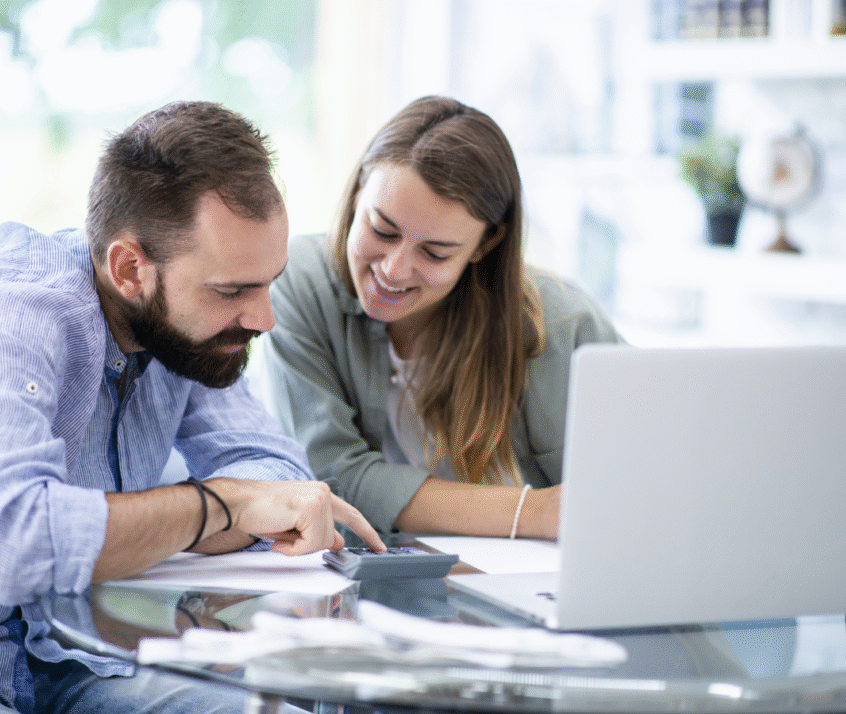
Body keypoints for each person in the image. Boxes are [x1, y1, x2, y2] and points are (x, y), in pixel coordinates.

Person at [0, 101, 383, 714]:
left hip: (75, 652)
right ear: (129, 269)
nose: (264, 319)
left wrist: (208, 513)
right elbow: (12, 545)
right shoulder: (12, 319)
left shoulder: (188, 332)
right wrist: (220, 506)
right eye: (232, 290)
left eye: (268, 283)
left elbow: (276, 479)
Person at [267, 95, 623, 540]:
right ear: (358, 192)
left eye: (434, 253)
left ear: (485, 245)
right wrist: (534, 512)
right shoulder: (298, 281)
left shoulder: (564, 324)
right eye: (382, 229)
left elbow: (637, 482)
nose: (394, 270)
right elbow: (329, 481)